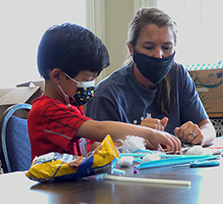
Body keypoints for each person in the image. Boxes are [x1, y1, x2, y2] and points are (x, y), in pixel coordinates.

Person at [28, 23, 181, 160]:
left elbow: (92, 149)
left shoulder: (72, 107)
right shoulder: (46, 111)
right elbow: (99, 129)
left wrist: (136, 145)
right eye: (87, 79)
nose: (90, 86)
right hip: (56, 189)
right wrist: (149, 133)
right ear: (57, 76)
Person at [85, 7, 216, 147]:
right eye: (149, 47)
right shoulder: (108, 93)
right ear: (131, 48)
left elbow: (208, 128)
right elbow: (93, 148)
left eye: (166, 48)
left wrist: (199, 137)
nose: (158, 55)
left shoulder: (178, 75)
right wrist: (138, 141)